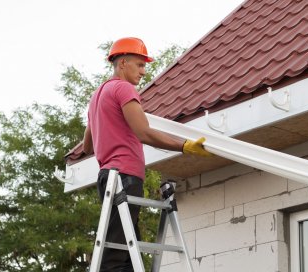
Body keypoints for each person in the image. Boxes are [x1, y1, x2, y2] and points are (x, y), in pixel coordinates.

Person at [82, 37, 211, 271]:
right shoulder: (123, 88)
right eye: (139, 65)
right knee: (113, 259)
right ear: (123, 63)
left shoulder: (96, 96)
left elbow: (87, 147)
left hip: (107, 178)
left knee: (127, 256)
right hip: (124, 178)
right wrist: (183, 146)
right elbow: (143, 133)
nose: (143, 72)